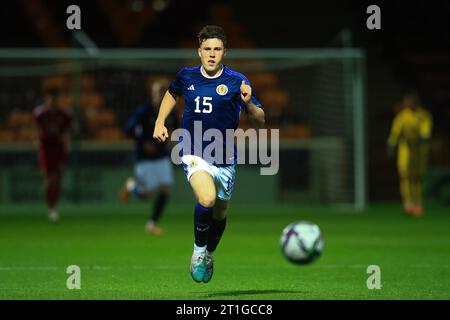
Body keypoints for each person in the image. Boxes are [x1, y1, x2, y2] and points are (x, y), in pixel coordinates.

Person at [153, 25, 265, 283]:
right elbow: (172, 93)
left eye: (217, 49)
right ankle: (198, 251)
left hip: (225, 158)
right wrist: (160, 122)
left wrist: (248, 103)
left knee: (220, 212)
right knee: (207, 199)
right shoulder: (186, 76)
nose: (212, 54)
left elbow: (260, 120)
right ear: (199, 51)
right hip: (194, 151)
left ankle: (210, 253)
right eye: (207, 49)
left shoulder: (237, 82)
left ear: (225, 52)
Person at [120, 77, 177, 235]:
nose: (159, 95)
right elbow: (128, 128)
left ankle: (152, 224)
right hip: (144, 158)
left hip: (161, 156)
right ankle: (131, 186)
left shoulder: (170, 112)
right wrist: (143, 142)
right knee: (146, 194)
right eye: (157, 92)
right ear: (152, 94)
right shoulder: (144, 110)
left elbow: (176, 128)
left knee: (165, 188)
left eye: (162, 92)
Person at [387, 93, 433, 217]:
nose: (409, 104)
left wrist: (419, 140)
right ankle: (407, 204)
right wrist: (391, 144)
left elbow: (426, 133)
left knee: (417, 178)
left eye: (411, 101)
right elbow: (395, 132)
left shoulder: (423, 115)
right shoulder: (402, 116)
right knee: (405, 176)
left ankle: (418, 204)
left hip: (419, 151)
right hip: (405, 151)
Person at [33, 87, 73, 222]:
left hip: (59, 149)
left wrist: (66, 148)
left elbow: (66, 133)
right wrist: (38, 146)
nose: (53, 101)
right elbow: (37, 131)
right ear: (46, 99)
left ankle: (54, 206)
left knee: (57, 179)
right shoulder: (40, 113)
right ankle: (50, 207)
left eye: (55, 98)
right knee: (48, 178)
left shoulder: (65, 115)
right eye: (51, 98)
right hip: (45, 149)